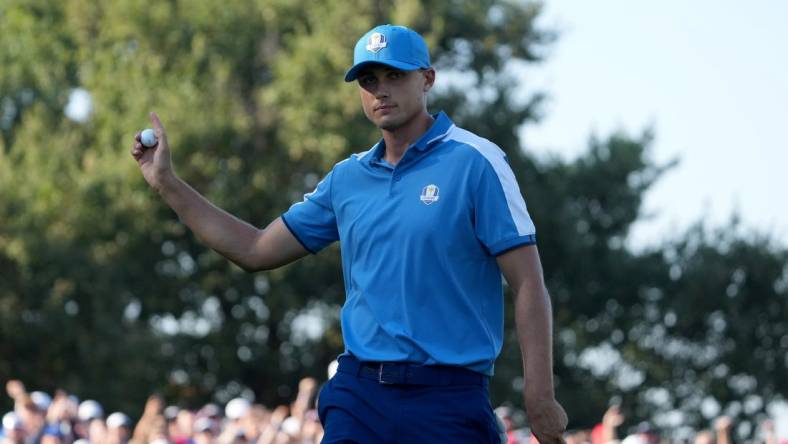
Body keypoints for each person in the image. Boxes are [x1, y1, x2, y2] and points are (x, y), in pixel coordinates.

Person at [130, 23, 567, 443]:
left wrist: (539, 393)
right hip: (361, 396)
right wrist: (168, 183)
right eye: (368, 79)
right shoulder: (347, 178)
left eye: (395, 75)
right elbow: (254, 249)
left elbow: (528, 282)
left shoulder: (477, 162)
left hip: (448, 398)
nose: (381, 89)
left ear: (427, 79)